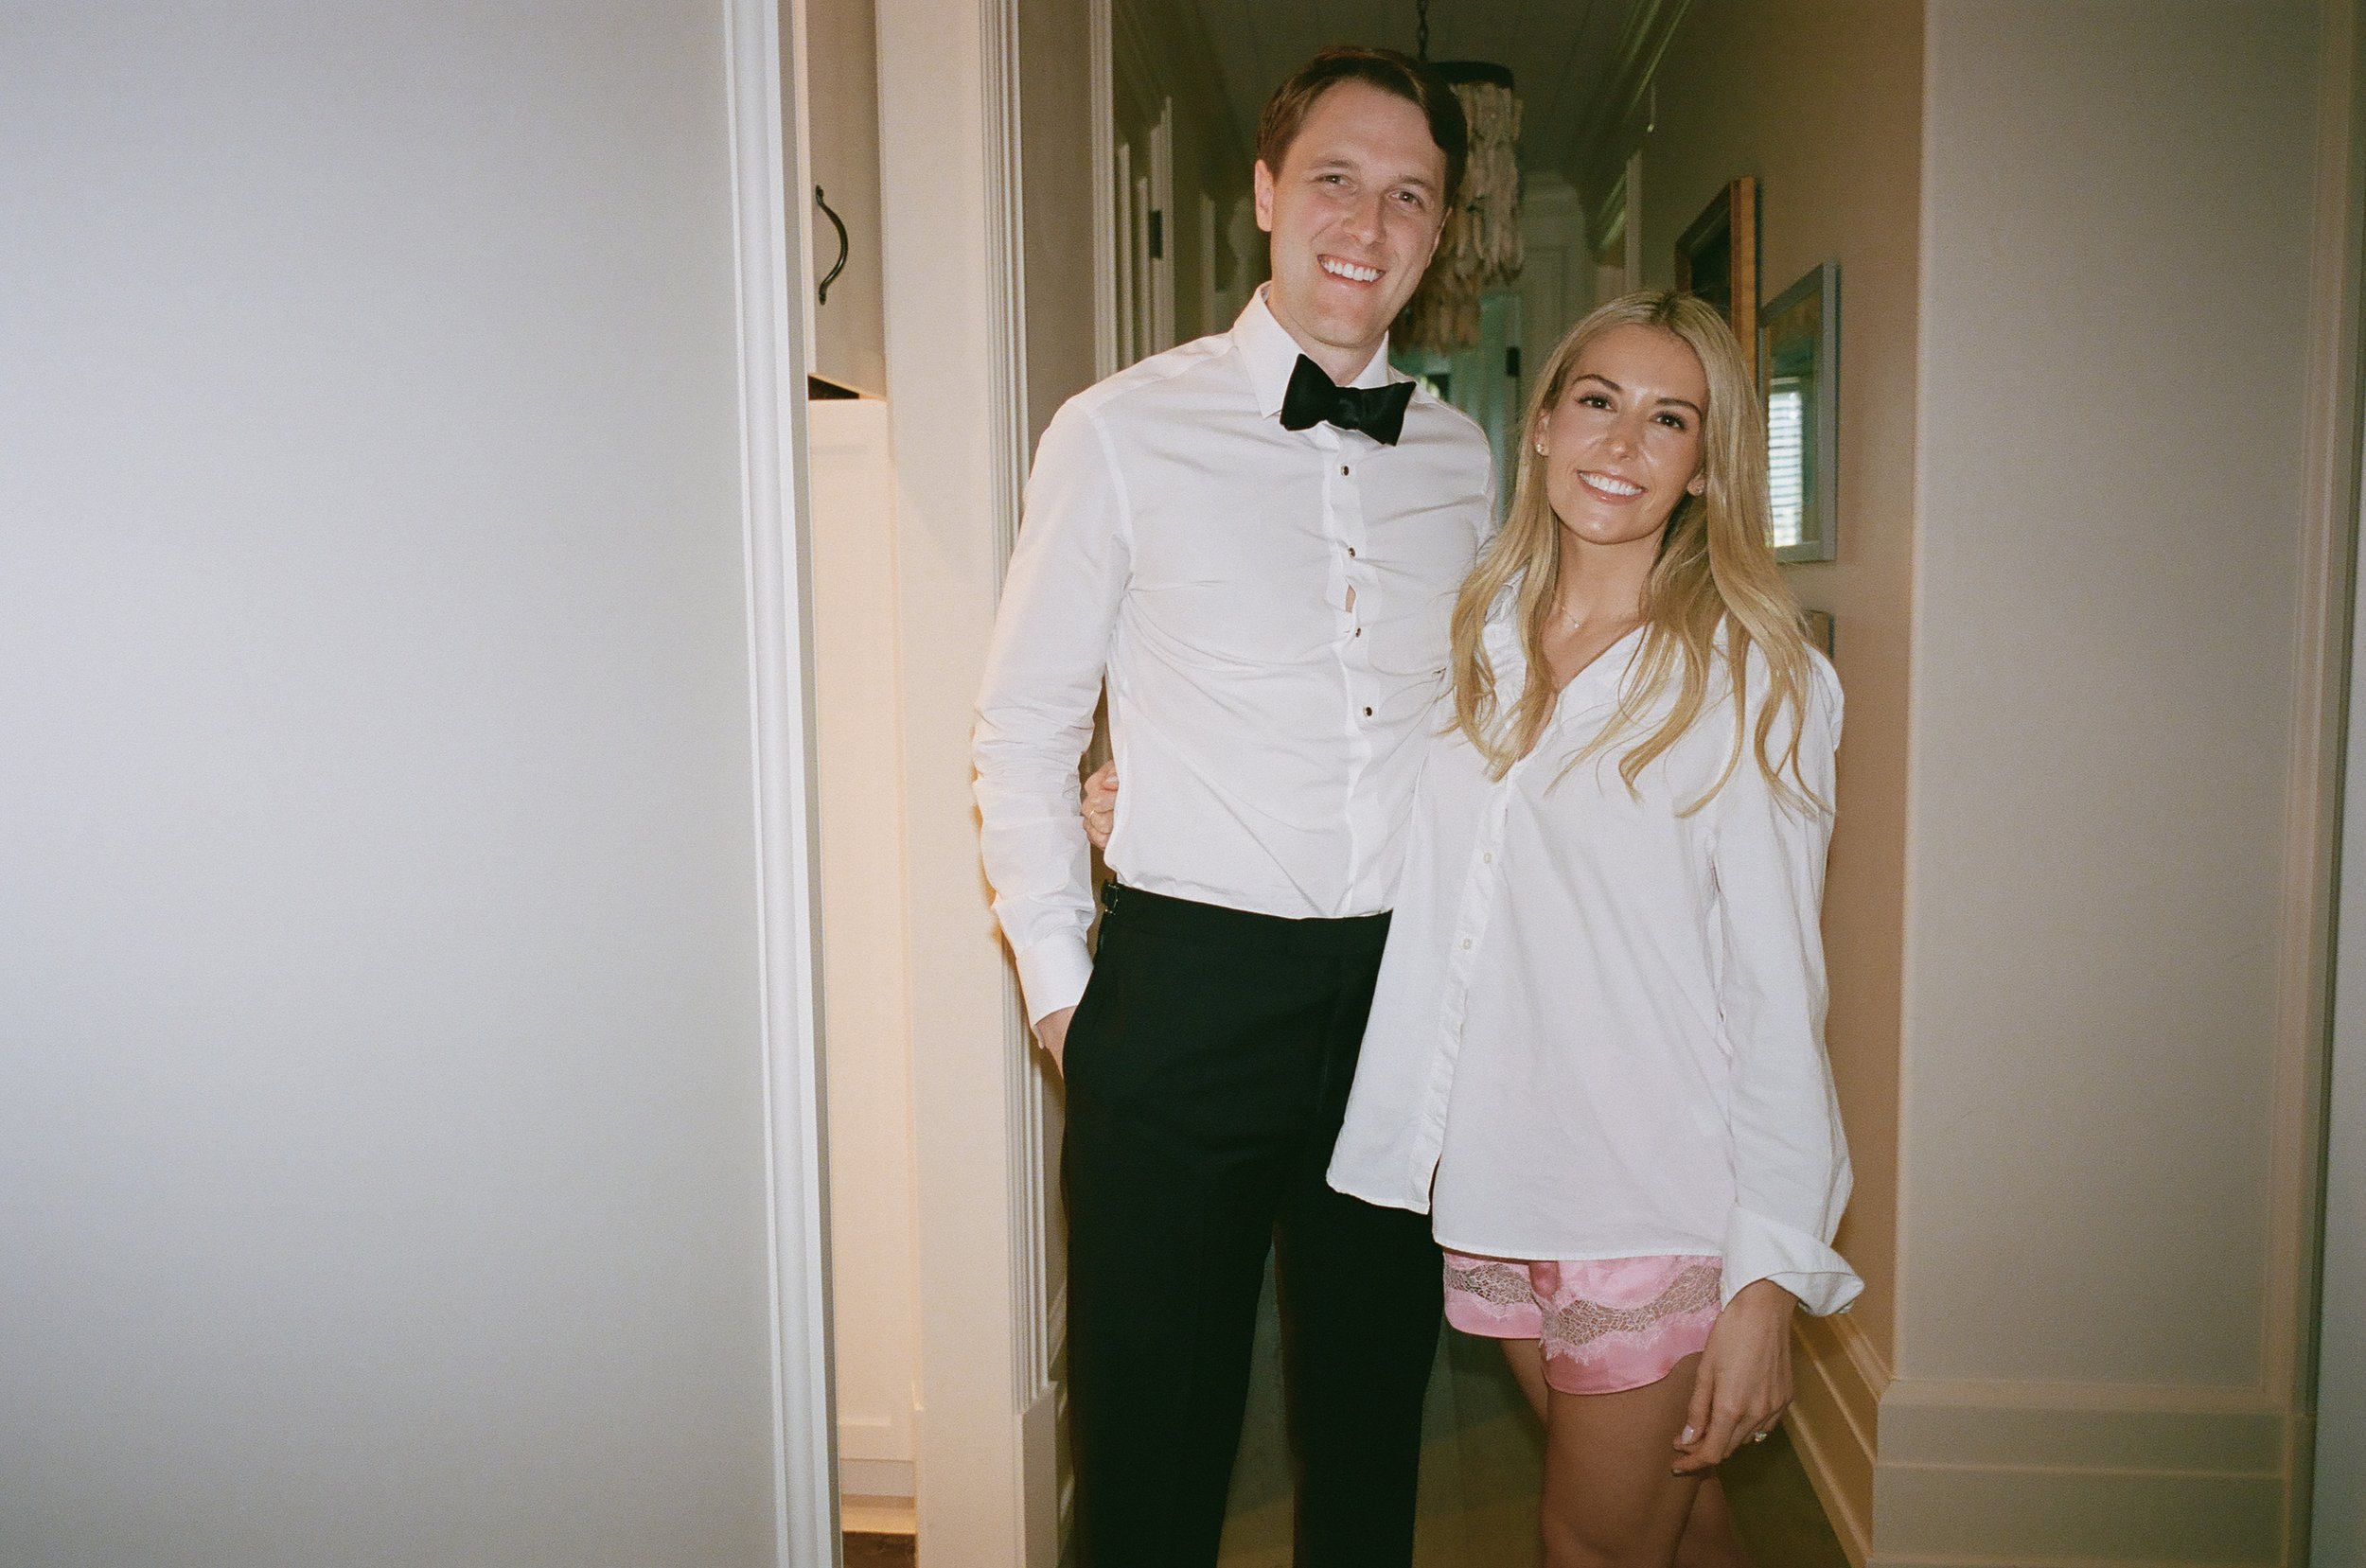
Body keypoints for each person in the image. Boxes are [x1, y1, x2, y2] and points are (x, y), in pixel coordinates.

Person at [971, 45, 1494, 1568]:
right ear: (1266, 192)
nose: (1370, 220)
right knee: (1153, 1434)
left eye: (1412, 196)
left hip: (1394, 995)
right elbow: (1019, 724)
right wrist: (1069, 993)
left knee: (1371, 1418)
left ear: (1441, 232)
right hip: (1185, 989)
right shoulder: (1119, 431)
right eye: (1337, 175)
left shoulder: (1463, 458)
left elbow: (1469, 724)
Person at [1323, 290, 1862, 1565]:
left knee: (1593, 1540)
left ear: (1705, 465)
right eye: (1599, 404)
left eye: (1668, 421)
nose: (1623, 446)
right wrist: (1143, 802)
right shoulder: (1481, 636)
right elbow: (1397, 843)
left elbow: (1780, 990)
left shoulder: (1754, 674)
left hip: (1654, 1195)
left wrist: (1767, 1276)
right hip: (1505, 1176)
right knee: (1676, 1520)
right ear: (1544, 429)